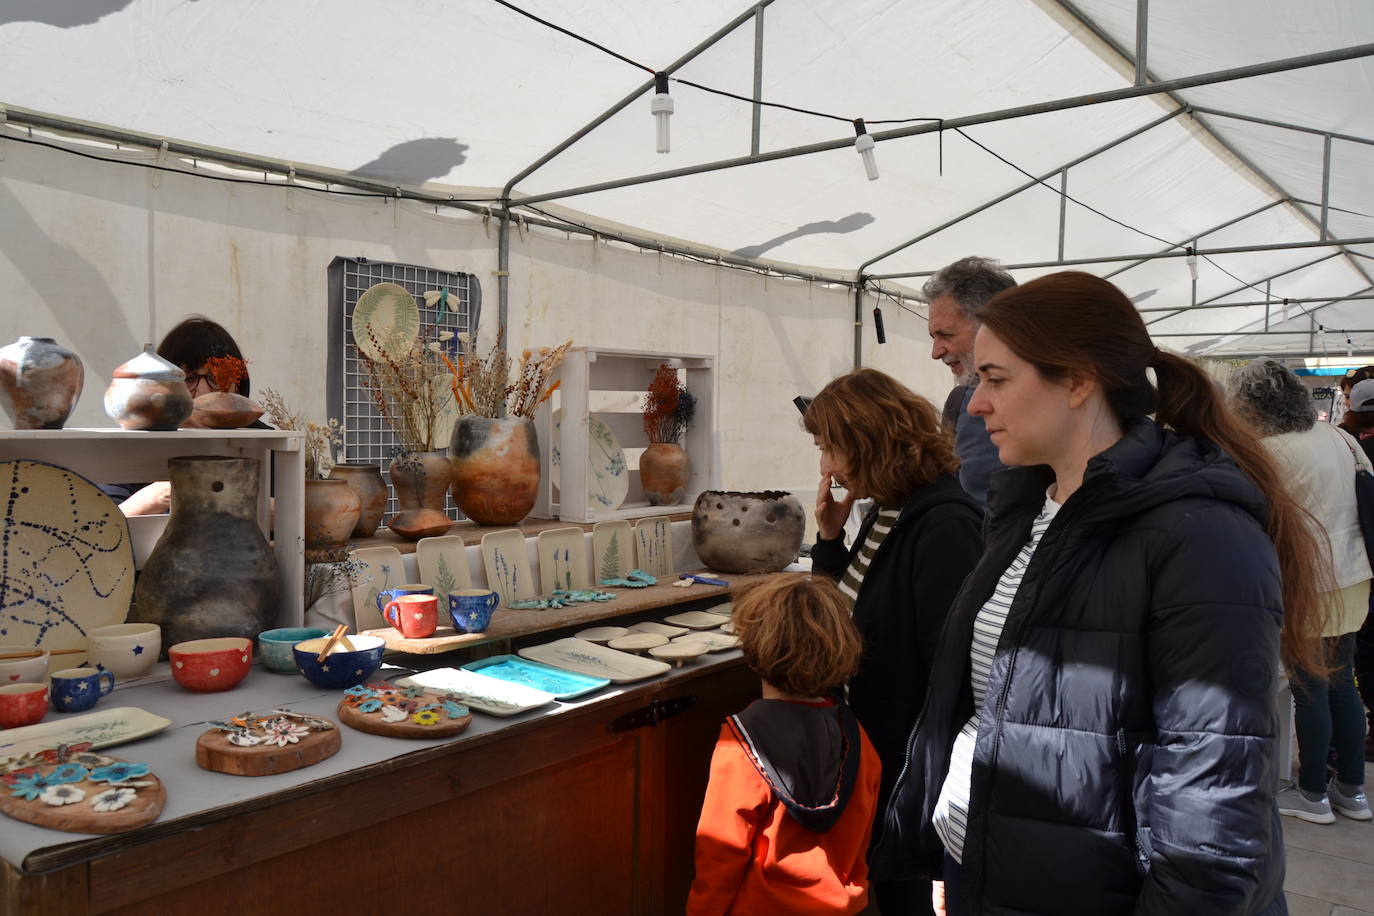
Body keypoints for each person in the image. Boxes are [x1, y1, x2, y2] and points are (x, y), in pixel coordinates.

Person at [873, 272, 1328, 916]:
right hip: (992, 870)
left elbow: (1213, 805)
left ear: (1079, 380)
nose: (975, 405)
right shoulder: (1026, 508)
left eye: (997, 380)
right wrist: (956, 844)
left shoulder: (1198, 535)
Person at [805, 368, 982, 915]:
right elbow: (847, 615)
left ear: (865, 441)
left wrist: (935, 814)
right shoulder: (889, 508)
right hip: (879, 754)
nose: (826, 466)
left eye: (829, 447)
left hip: (912, 770)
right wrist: (830, 540)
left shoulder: (944, 522)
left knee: (909, 897)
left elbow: (947, 676)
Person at [1228, 358, 1372, 823]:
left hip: (1308, 584)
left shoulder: (1271, 454)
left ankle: (1312, 795)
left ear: (1254, 406)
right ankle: (1351, 791)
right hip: (1353, 578)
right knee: (1341, 685)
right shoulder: (1340, 437)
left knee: (1311, 688)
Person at [686, 575, 881, 916]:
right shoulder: (858, 736)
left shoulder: (740, 744)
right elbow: (863, 837)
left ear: (752, 651)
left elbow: (720, 852)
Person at [115, 316, 261, 516]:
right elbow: (100, 522)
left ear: (239, 384)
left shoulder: (263, 441)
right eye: (187, 378)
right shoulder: (138, 441)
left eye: (217, 379)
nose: (202, 391)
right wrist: (155, 496)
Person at [924, 256, 1015, 505]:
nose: (935, 352)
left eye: (946, 334)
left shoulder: (972, 403)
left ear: (991, 326)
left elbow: (978, 503)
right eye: (933, 336)